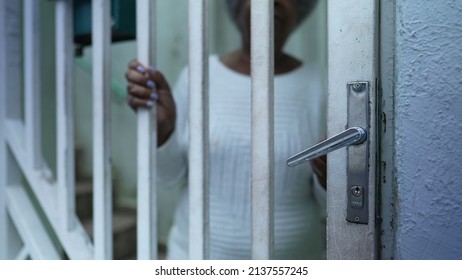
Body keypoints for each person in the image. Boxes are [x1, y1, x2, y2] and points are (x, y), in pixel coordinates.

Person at [125, 0, 326, 259]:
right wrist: (164, 131)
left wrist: (327, 177)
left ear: (300, 9)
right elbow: (167, 177)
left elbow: (330, 202)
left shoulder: (318, 84)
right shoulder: (199, 75)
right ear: (237, 6)